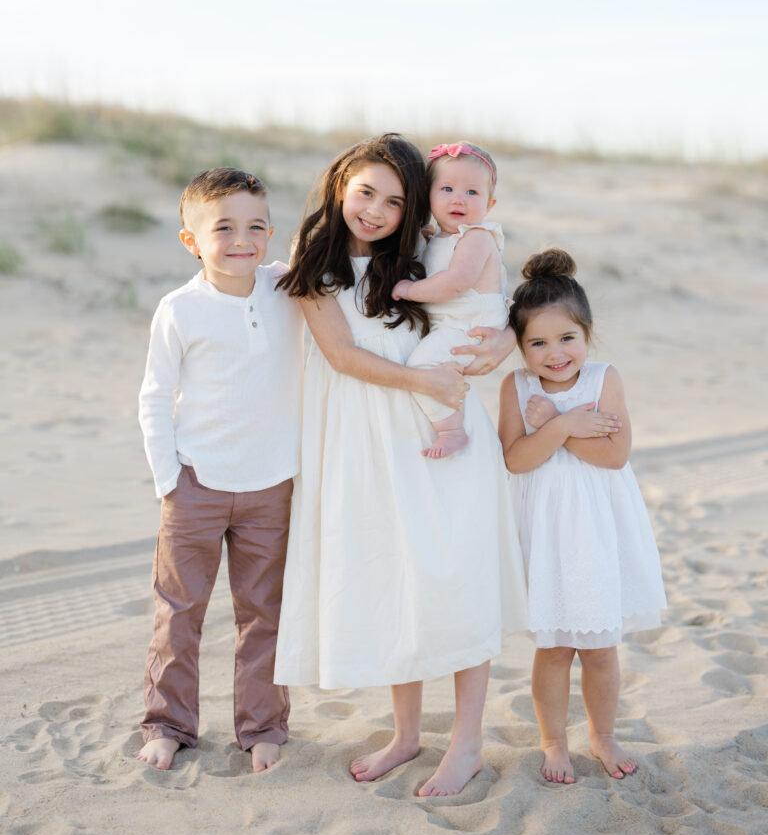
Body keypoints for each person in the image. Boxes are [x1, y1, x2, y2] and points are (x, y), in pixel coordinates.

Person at [273, 134, 528, 797]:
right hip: (365, 438)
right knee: (395, 579)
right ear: (338, 188)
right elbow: (341, 354)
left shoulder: (425, 248)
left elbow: (505, 294)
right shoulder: (316, 261)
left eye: (394, 200)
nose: (377, 211)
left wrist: (503, 341)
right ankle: (407, 734)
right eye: (365, 193)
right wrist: (423, 385)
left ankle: (467, 743)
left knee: (454, 578)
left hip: (440, 438)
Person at [136, 168, 303, 773]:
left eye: (256, 226)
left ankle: (262, 725)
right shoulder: (180, 309)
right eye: (224, 227)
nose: (241, 239)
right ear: (191, 240)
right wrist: (168, 480)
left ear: (271, 234)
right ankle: (168, 723)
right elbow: (156, 396)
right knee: (179, 611)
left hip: (273, 484)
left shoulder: (290, 288)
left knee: (264, 613)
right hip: (197, 484)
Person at [498, 248, 666, 785]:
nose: (554, 354)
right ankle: (552, 740)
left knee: (597, 647)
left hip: (595, 531)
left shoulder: (602, 379)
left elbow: (614, 456)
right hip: (545, 533)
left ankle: (603, 733)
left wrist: (560, 424)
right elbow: (516, 459)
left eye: (566, 338)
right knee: (553, 647)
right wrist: (564, 426)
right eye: (537, 343)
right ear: (520, 348)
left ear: (586, 334)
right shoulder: (516, 388)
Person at [392, 141, 508, 458]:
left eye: (472, 192)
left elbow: (455, 283)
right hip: (454, 324)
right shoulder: (441, 236)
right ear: (429, 195)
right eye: (446, 189)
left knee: (422, 364)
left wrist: (408, 290)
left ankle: (452, 430)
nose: (459, 198)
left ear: (490, 203)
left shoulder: (477, 237)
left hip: (471, 329)